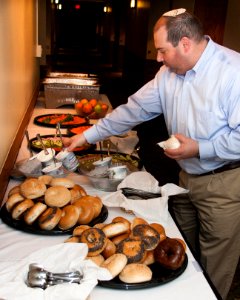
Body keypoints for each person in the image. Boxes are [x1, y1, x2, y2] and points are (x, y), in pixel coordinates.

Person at [63, 8, 240, 299]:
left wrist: (198, 147)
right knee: (176, 254)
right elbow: (135, 110)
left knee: (212, 266)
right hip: (184, 178)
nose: (157, 57)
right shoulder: (168, 73)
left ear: (184, 43)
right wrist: (85, 136)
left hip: (224, 184)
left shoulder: (233, 72)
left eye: (161, 50)